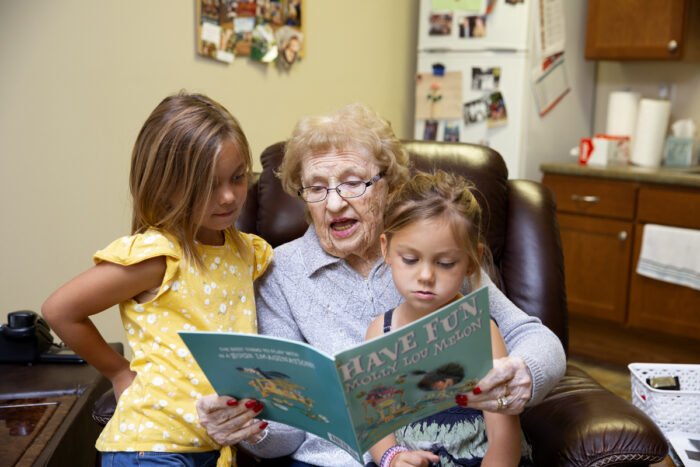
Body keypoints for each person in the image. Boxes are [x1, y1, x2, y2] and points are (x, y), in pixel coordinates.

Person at [196, 103, 566, 466]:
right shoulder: (280, 273)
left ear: (388, 184)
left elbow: (536, 338)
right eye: (317, 188)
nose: (335, 203)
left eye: (352, 183)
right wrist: (253, 426)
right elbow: (288, 428)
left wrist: (523, 375)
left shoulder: (433, 252)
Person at [41, 92, 287, 467]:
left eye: (238, 178)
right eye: (207, 184)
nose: (227, 197)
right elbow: (60, 310)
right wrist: (119, 372)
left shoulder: (246, 252)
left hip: (214, 448)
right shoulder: (159, 255)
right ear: (166, 184)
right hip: (151, 447)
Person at [365, 170, 533, 467]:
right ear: (386, 250)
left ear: (470, 262)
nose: (426, 276)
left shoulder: (481, 331)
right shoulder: (381, 331)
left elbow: (504, 439)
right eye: (410, 259)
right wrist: (392, 458)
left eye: (445, 263)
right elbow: (378, 425)